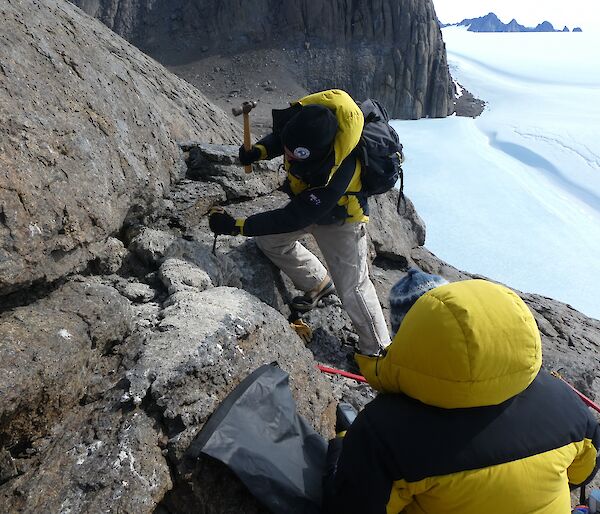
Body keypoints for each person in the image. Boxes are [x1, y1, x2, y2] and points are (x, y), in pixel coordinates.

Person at [324, 278, 600, 514]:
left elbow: (353, 506)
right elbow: (581, 474)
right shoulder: (566, 404)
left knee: (340, 451)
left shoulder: (383, 430)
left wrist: (344, 448)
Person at [209, 89, 390, 356]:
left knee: (353, 287)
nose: (288, 158)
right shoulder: (304, 121)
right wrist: (258, 151)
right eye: (287, 153)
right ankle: (317, 281)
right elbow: (283, 140)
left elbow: (295, 216)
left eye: (295, 156)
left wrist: (236, 225)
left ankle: (378, 351)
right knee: (270, 240)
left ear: (319, 152)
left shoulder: (342, 167)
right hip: (309, 203)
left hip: (341, 221)